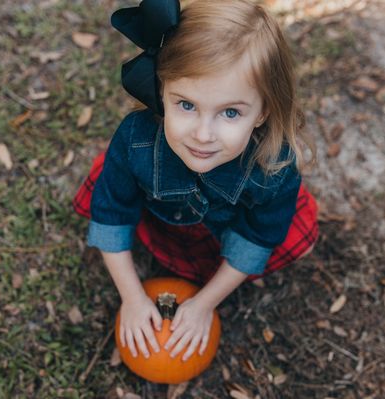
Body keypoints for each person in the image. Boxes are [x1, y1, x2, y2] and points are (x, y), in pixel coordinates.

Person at [73, 0, 318, 364]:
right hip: (163, 218)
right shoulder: (135, 141)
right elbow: (112, 214)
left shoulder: (275, 168)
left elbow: (257, 237)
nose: (203, 135)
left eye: (230, 112)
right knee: (111, 183)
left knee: (297, 237)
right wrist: (133, 298)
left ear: (263, 110)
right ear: (162, 89)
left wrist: (205, 303)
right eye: (186, 104)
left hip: (222, 230)